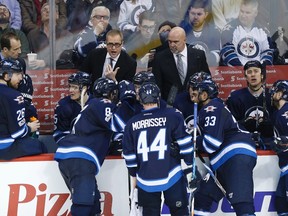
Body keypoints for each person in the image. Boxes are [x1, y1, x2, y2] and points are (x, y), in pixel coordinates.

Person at [122, 82, 194, 215]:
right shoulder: (173, 115)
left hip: (145, 179)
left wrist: (134, 173)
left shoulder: (131, 123)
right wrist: (190, 164)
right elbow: (186, 144)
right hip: (172, 175)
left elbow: (129, 156)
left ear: (140, 99)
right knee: (180, 212)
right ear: (158, 97)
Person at [54, 77, 123, 215]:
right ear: (111, 94)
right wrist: (127, 99)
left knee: (93, 203)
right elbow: (120, 124)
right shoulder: (102, 103)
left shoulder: (90, 107)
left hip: (70, 157)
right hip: (80, 159)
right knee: (83, 205)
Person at [189, 79, 257, 216]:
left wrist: (193, 140)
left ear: (204, 95)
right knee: (202, 198)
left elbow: (211, 143)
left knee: (242, 205)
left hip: (235, 156)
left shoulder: (211, 108)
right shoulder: (212, 108)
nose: (191, 93)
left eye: (195, 91)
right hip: (223, 162)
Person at [0, 58, 47, 160]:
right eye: (17, 74)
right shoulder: (14, 96)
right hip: (5, 148)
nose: (21, 78)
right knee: (39, 145)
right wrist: (30, 127)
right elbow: (18, 133)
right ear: (6, 76)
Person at [152, 26, 210, 104]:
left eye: (176, 42)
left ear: (184, 40)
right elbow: (157, 85)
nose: (172, 45)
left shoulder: (198, 55)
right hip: (170, 105)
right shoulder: (160, 58)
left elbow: (206, 80)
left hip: (194, 104)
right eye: (170, 42)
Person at [226, 60, 274, 149]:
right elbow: (229, 126)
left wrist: (271, 125)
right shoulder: (236, 97)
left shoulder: (272, 96)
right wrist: (242, 124)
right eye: (249, 72)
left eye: (256, 71)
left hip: (269, 143)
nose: (253, 75)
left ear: (262, 75)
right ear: (245, 77)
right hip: (243, 143)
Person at [220, 0, 273, 66]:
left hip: (257, 73)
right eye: (242, 11)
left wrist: (259, 70)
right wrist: (243, 70)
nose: (243, 15)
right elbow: (227, 53)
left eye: (247, 13)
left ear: (255, 13)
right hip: (235, 72)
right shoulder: (229, 29)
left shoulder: (263, 31)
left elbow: (268, 53)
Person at [27, 3, 73, 70]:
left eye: (51, 10)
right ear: (41, 15)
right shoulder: (32, 35)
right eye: (44, 10)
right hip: (38, 74)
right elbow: (28, 55)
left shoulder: (66, 35)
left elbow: (66, 56)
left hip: (60, 73)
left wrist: (45, 62)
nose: (48, 11)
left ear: (57, 15)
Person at [53, 71, 92, 144]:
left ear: (85, 88)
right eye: (70, 86)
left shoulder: (97, 104)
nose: (70, 90)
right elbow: (59, 135)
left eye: (75, 87)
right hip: (72, 147)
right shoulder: (63, 105)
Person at [180, 0, 221, 66]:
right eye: (193, 13)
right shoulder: (181, 31)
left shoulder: (214, 31)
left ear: (206, 15)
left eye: (199, 14)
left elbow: (216, 57)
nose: (195, 17)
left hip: (208, 69)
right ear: (188, 13)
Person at [269, 80, 288, 216]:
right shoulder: (278, 113)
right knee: (281, 202)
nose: (271, 94)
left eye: (274, 91)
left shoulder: (285, 112)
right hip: (285, 167)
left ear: (280, 94)